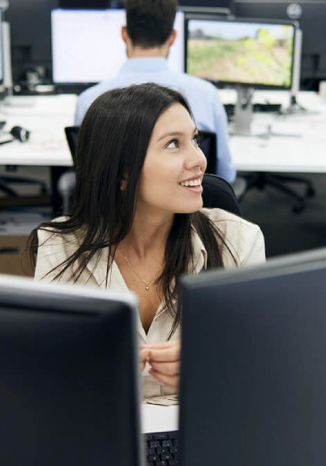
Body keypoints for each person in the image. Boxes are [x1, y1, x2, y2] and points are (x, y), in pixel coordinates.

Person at [33, 84, 266, 398]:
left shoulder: (238, 242)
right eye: (173, 144)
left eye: (194, 140)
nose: (199, 160)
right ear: (122, 174)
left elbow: (259, 364)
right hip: (104, 430)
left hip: (198, 427)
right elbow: (45, 376)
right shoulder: (59, 248)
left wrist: (209, 367)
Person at [74, 0, 236, 183]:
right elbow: (224, 175)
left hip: (113, 210)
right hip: (188, 204)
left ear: (124, 34)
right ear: (173, 37)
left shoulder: (89, 100)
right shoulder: (206, 94)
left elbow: (87, 172)